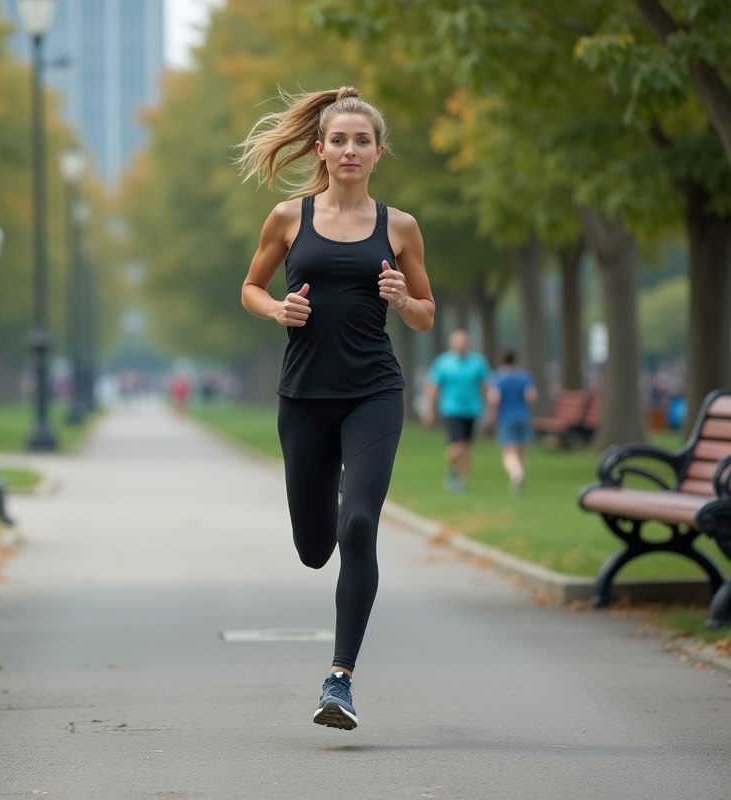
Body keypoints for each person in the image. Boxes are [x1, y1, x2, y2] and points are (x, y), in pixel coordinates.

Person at [238, 86, 435, 730]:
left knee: (360, 524)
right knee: (315, 547)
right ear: (320, 149)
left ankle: (340, 678)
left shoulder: (398, 227)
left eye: (362, 140)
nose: (350, 150)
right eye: (339, 139)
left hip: (374, 391)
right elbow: (250, 287)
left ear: (379, 151)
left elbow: (427, 314)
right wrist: (276, 308)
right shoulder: (288, 218)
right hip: (304, 398)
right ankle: (321, 546)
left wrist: (403, 298)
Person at [423, 329, 489, 493]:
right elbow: (433, 387)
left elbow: (486, 386)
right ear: (452, 344)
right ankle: (451, 471)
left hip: (472, 409)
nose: (462, 345)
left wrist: (489, 408)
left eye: (465, 342)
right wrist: (429, 409)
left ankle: (461, 481)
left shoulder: (478, 362)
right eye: (459, 342)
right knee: (458, 447)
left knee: (466, 447)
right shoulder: (443, 362)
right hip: (451, 409)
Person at [486, 349, 536, 495]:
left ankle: (516, 474)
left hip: (506, 417)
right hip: (523, 416)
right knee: (521, 451)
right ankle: (520, 478)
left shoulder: (497, 377)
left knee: (508, 452)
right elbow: (531, 397)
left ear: (501, 360)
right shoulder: (525, 376)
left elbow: (494, 398)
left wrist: (491, 416)